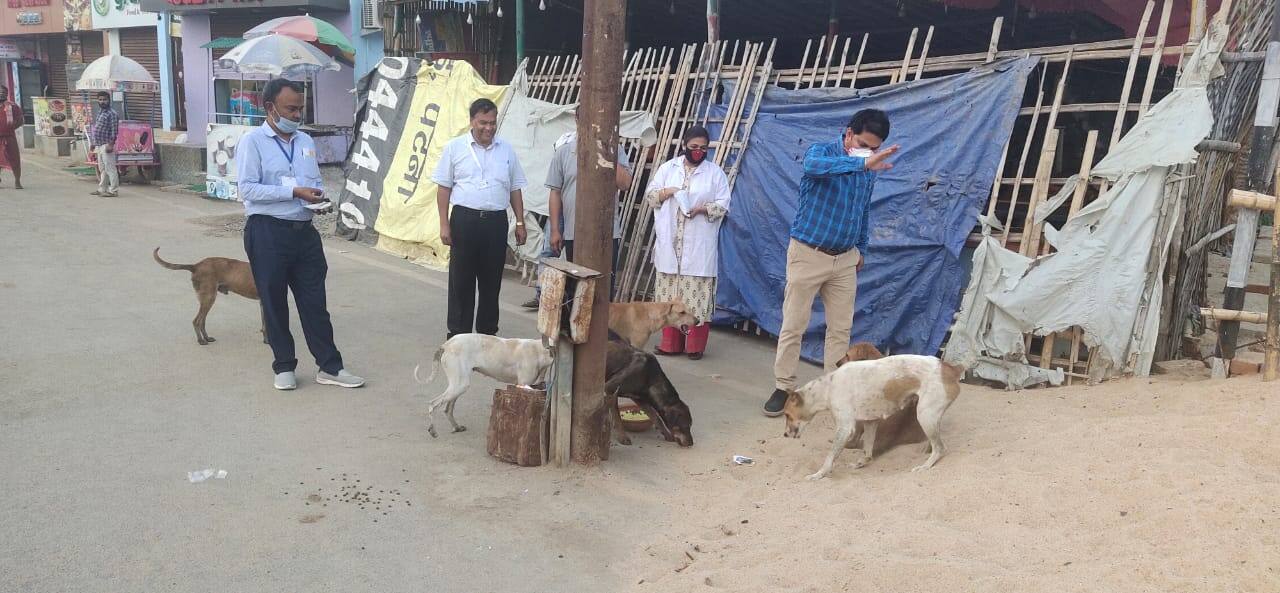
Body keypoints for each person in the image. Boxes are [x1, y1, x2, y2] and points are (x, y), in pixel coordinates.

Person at [763, 109, 899, 417]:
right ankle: (784, 388)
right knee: (794, 325)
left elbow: (863, 210)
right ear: (848, 133)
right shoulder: (821, 152)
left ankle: (835, 387)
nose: (870, 152)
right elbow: (814, 167)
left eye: (875, 148)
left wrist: (861, 249)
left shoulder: (868, 168)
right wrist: (861, 162)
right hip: (808, 253)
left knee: (840, 329)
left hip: (845, 258)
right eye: (864, 144)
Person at [237, 78, 364, 391]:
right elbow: (247, 189)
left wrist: (318, 197)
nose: (296, 114)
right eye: (290, 109)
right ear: (270, 107)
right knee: (274, 301)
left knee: (314, 302)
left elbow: (313, 180)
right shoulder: (252, 142)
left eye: (300, 108)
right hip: (267, 232)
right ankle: (284, 365)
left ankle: (330, 366)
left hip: (304, 232)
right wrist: (293, 190)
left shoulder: (305, 141)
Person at [434, 98, 528, 339]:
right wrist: (444, 224)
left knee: (491, 281)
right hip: (464, 220)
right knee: (461, 281)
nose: (488, 128)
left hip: (495, 222)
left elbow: (515, 188)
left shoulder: (506, 150)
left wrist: (519, 222)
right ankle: (458, 335)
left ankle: (487, 334)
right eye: (483, 123)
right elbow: (443, 188)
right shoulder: (454, 148)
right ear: (472, 121)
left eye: (493, 123)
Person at [644, 126, 731, 360]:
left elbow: (724, 204)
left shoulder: (715, 173)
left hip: (698, 247)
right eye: (694, 147)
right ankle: (670, 344)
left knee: (696, 299)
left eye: (703, 148)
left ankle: (694, 346)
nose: (698, 152)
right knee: (669, 296)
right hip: (670, 245)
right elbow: (651, 196)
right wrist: (670, 191)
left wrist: (704, 208)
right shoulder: (667, 169)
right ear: (685, 145)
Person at [544, 129, 633, 297]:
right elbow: (555, 193)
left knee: (603, 286)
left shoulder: (616, 150)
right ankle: (573, 323)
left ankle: (602, 324)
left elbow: (625, 184)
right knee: (575, 287)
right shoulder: (564, 152)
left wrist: (606, 151)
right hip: (574, 231)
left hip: (607, 233)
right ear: (578, 121)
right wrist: (555, 230)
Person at [89, 91, 120, 197]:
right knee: (102, 169)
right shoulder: (100, 112)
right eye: (100, 100)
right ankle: (102, 189)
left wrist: (111, 144)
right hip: (99, 145)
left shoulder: (112, 114)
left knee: (110, 168)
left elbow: (114, 130)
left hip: (107, 144)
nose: (102, 102)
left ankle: (113, 190)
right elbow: (97, 128)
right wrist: (93, 143)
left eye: (105, 100)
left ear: (109, 100)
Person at [0, 86, 22, 189]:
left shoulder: (13, 106)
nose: (1, 94)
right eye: (0, 92)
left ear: (7, 94)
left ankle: (17, 181)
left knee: (15, 159)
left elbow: (20, 120)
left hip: (10, 137)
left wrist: (11, 128)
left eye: (4, 92)